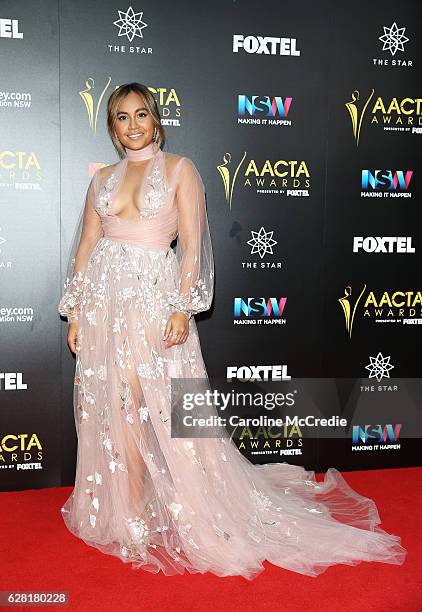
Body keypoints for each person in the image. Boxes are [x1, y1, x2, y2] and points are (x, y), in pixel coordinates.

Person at [58, 82, 406, 580]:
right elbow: (87, 245)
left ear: (155, 120)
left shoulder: (181, 170)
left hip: (156, 304)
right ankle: (130, 511)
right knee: (115, 408)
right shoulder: (104, 181)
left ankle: (182, 506)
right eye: (120, 117)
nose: (132, 125)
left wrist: (183, 308)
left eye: (140, 115)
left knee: (152, 404)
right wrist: (75, 311)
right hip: (104, 307)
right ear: (112, 127)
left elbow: (195, 246)